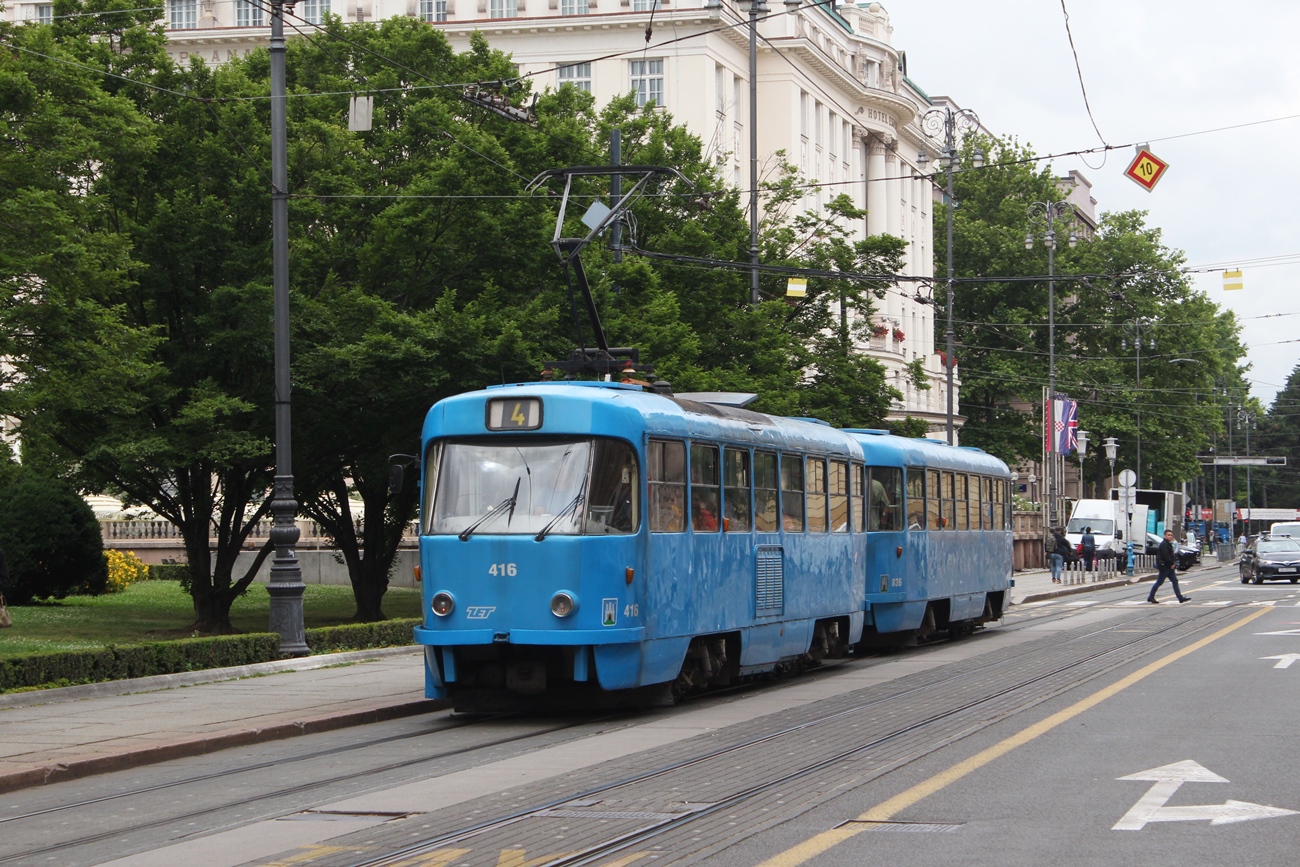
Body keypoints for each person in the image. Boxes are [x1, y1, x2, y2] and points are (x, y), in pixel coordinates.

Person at [1148, 529, 1189, 604]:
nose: (1170, 536)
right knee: (1159, 582)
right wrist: (1171, 564)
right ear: (1165, 535)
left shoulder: (1168, 544)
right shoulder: (1164, 544)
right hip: (1165, 567)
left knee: (1175, 581)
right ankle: (1151, 596)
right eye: (1168, 535)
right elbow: (1166, 556)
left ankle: (1180, 598)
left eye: (1171, 535)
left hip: (1169, 567)